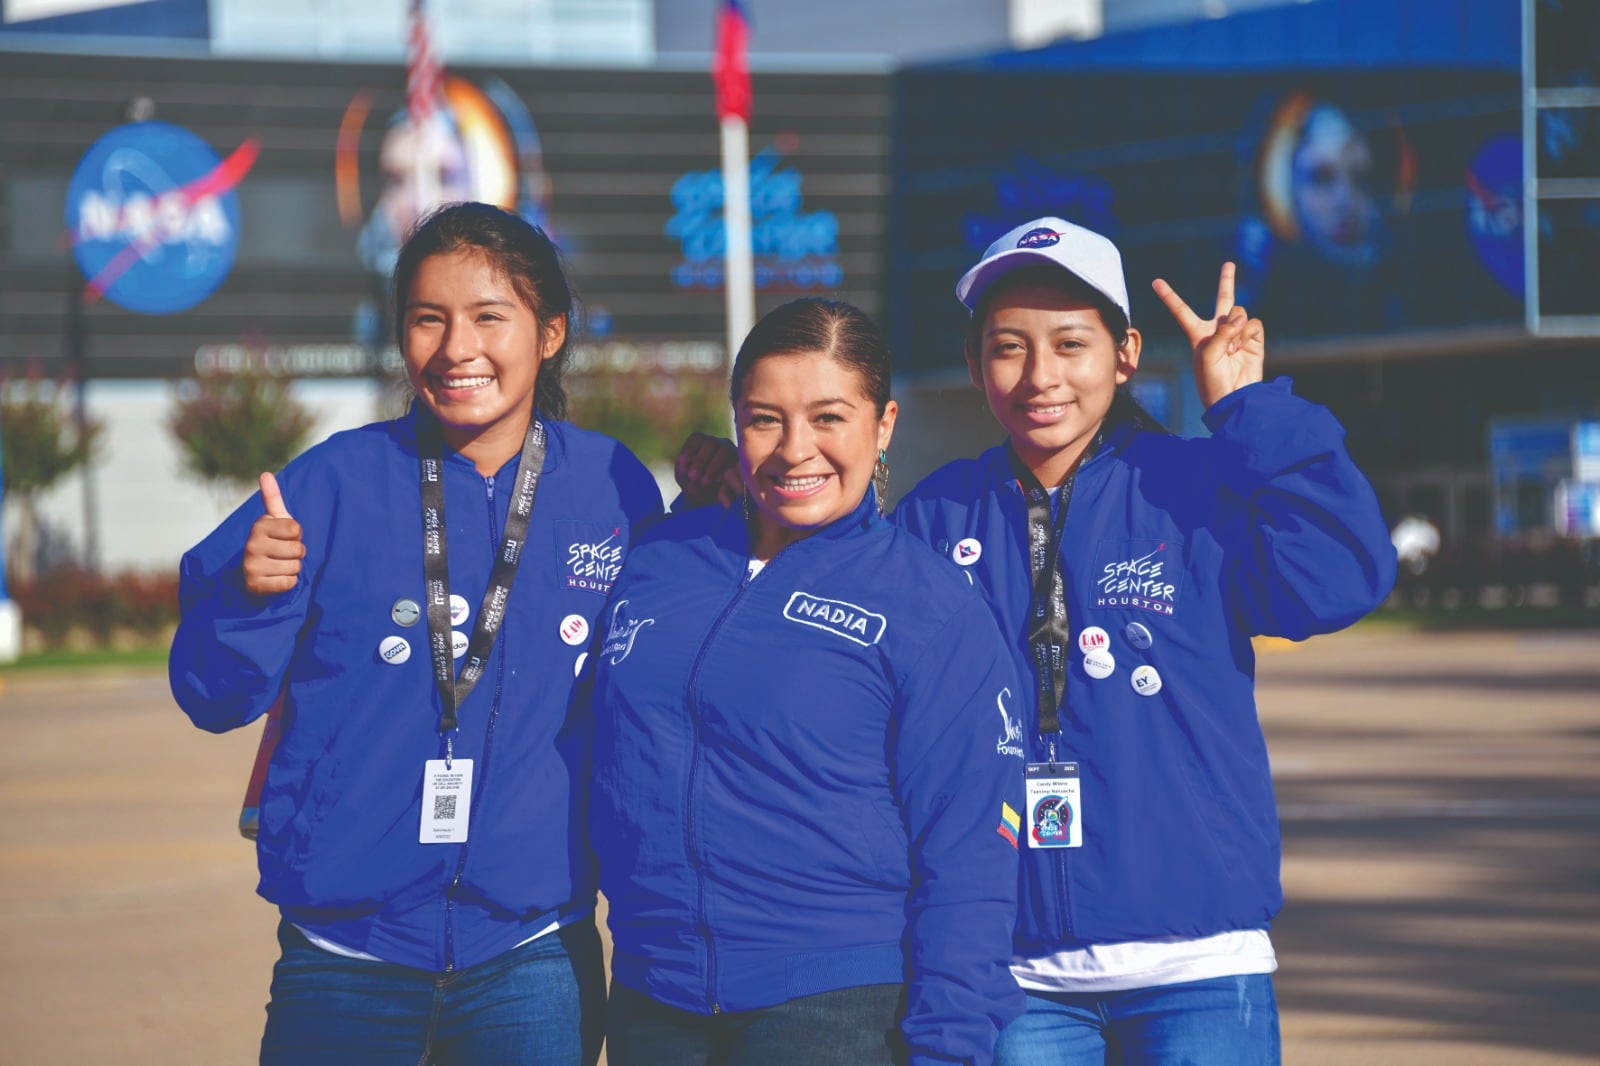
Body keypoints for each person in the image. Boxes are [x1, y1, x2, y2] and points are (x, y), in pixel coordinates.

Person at [891, 217, 1397, 1063]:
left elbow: (1343, 576)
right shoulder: (935, 516)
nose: (1040, 376)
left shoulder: (1198, 486)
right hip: (1012, 976)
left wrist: (1247, 407)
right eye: (1008, 347)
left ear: (1125, 355)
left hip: (1197, 966)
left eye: (1070, 344)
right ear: (977, 365)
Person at [169, 201, 664, 1065]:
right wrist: (255, 597)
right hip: (345, 958)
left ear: (549, 333)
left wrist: (717, 503)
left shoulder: (612, 486)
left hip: (531, 953)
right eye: (427, 319)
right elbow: (213, 698)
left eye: (488, 317)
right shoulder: (330, 481)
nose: (455, 347)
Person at [589, 298, 1027, 1066]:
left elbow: (970, 855)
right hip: (652, 997)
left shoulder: (929, 605)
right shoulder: (658, 561)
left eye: (829, 417)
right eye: (766, 419)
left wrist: (950, 1046)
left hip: (834, 1009)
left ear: (883, 424)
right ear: (733, 421)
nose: (796, 450)